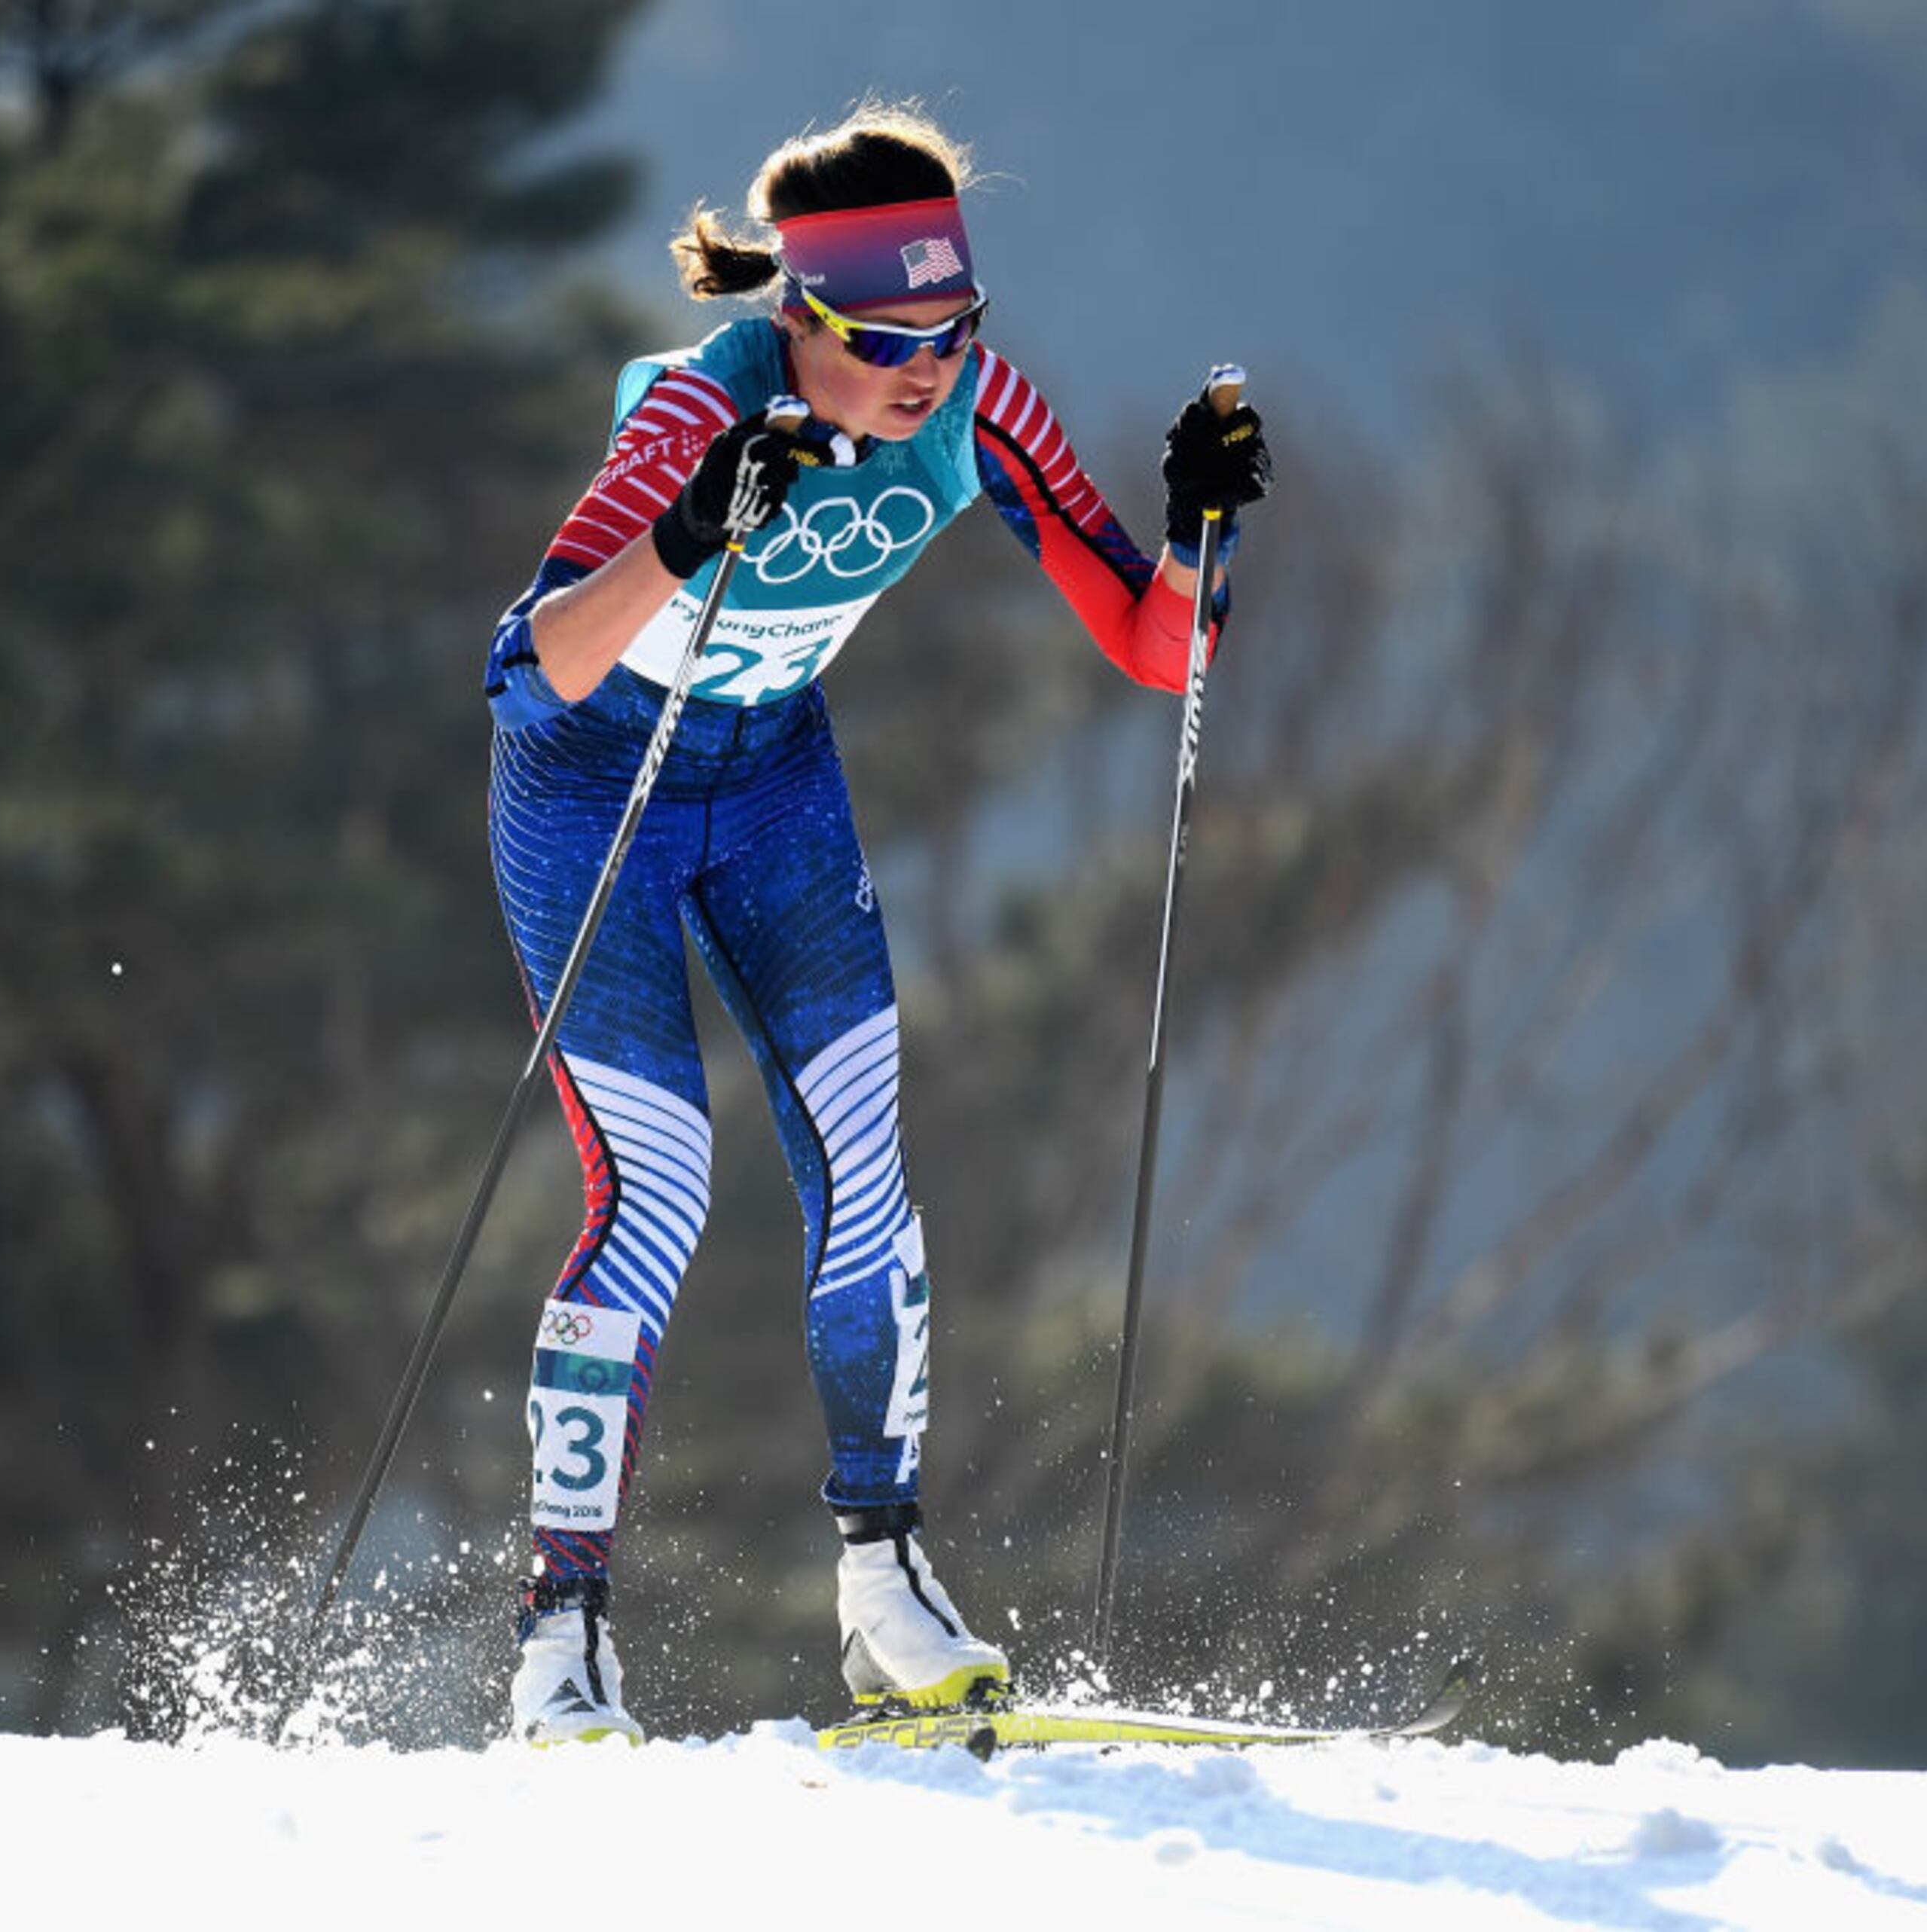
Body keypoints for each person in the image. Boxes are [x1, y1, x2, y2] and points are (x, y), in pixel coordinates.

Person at [483, 102, 1271, 1744]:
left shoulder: (977, 405)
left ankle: (884, 1583)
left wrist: (1200, 535)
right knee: (661, 1192)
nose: (926, 367)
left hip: (770, 779)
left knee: (865, 1163)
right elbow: (531, 661)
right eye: (884, 337)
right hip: (592, 794)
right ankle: (563, 1642)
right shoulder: (705, 403)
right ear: (798, 315)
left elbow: (1151, 644)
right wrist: (691, 525)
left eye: (953, 326)